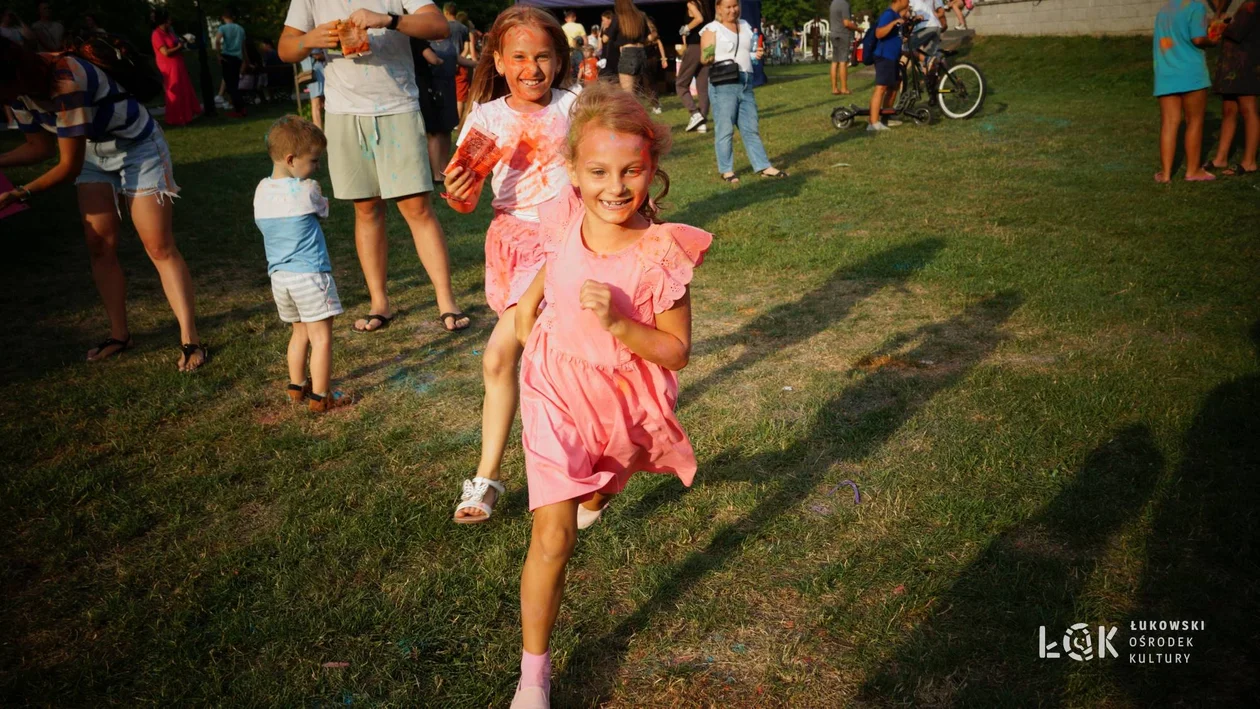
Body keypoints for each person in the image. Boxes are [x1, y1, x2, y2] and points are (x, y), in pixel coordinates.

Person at [508, 82, 712, 708]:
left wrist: (624, 326)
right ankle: (533, 676)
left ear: (653, 169)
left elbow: (677, 351)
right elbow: (557, 259)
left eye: (632, 171)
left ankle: (597, 491)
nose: (615, 187)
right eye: (598, 171)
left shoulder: (659, 254)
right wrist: (528, 305)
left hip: (619, 397)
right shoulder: (570, 212)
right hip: (550, 386)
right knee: (553, 538)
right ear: (573, 170)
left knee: (606, 475)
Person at [442, 6, 578, 524]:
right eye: (518, 56)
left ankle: (488, 478)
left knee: (501, 356)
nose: (532, 68)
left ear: (560, 59)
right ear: (497, 60)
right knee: (541, 358)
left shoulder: (576, 107)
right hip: (510, 248)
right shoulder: (487, 118)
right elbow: (463, 198)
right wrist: (457, 188)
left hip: (565, 243)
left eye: (544, 56)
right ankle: (577, 467)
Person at [0, 38, 207, 371]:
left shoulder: (64, 78)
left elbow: (66, 167)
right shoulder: (19, 90)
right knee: (99, 245)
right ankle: (119, 335)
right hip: (93, 154)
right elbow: (39, 149)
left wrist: (20, 193)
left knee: (158, 246)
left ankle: (190, 339)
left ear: (12, 73)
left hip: (138, 146)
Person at [279, 0, 469, 333]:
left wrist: (389, 20)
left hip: (398, 107)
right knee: (366, 209)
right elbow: (285, 48)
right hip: (344, 112)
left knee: (417, 208)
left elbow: (438, 26)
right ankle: (379, 303)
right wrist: (310, 39)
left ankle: (446, 300)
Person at [255, 116, 353, 412]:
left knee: (299, 333)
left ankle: (296, 386)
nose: (317, 167)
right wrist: (317, 189)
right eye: (313, 160)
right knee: (321, 337)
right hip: (310, 276)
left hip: (280, 278)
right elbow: (323, 211)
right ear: (290, 159)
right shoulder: (308, 188)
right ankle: (321, 396)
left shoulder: (261, 190)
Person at [700, 0, 788, 184]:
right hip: (724, 84)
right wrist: (710, 52)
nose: (733, 10)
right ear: (718, 8)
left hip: (746, 82)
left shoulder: (745, 25)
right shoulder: (712, 29)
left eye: (735, 6)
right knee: (725, 129)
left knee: (751, 128)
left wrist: (757, 54)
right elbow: (705, 59)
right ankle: (726, 170)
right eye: (728, 7)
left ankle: (764, 166)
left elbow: (748, 52)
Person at [1153, 0, 1218, 182]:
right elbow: (1198, 39)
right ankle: (1193, 171)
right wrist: (1212, 41)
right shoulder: (1196, 6)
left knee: (1169, 123)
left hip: (1165, 73)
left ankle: (1165, 174)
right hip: (1191, 73)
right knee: (1194, 121)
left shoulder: (1164, 10)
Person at [1206, 0, 1258, 176]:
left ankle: (1249, 161)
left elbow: (1236, 32)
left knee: (1248, 109)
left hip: (1246, 65)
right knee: (1228, 109)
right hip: (1231, 66)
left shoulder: (1253, 4)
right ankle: (1221, 158)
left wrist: (1218, 23)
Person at [151, 10, 202, 127]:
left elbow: (176, 43)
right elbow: (165, 52)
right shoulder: (157, 34)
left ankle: (187, 115)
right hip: (168, 65)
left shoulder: (170, 32)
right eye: (169, 19)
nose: (171, 21)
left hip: (178, 63)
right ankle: (176, 118)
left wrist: (183, 42)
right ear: (163, 21)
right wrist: (179, 46)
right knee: (174, 92)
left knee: (184, 89)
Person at [868, 0, 909, 132]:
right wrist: (892, 23)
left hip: (893, 56)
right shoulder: (888, 14)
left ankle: (886, 117)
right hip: (884, 56)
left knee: (894, 86)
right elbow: (879, 33)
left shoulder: (896, 15)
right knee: (881, 88)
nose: (908, 2)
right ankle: (873, 123)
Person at [604, 0, 648, 92]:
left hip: (628, 54)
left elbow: (605, 38)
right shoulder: (641, 16)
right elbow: (648, 37)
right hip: (641, 53)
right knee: (636, 91)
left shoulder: (619, 18)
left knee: (627, 93)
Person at [215, 9, 248, 118]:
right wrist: (245, 59)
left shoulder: (223, 28)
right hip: (237, 58)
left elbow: (217, 40)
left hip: (227, 57)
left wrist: (218, 55)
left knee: (230, 85)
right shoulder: (240, 29)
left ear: (224, 18)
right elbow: (243, 46)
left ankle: (239, 108)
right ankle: (241, 108)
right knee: (235, 83)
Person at [830, 0, 859, 94]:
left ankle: (834, 88)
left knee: (835, 62)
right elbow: (846, 23)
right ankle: (844, 88)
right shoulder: (844, 4)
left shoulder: (833, 3)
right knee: (843, 62)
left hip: (833, 33)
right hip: (842, 34)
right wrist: (858, 28)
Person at [642, 17, 669, 114]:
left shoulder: (644, 33)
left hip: (646, 60)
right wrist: (663, 58)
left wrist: (663, 58)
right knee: (652, 83)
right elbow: (659, 44)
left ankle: (655, 105)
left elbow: (658, 43)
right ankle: (656, 103)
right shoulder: (653, 32)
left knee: (647, 84)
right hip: (653, 59)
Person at [301, 48, 327, 130]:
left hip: (317, 69)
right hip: (315, 71)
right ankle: (318, 130)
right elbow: (315, 53)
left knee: (320, 102)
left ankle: (321, 128)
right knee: (316, 102)